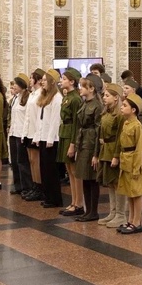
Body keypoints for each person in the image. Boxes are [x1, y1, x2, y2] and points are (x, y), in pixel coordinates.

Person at [116, 93, 142, 234]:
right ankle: (130, 219)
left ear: (134, 110)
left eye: (125, 106)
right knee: (129, 192)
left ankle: (137, 222)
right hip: (126, 159)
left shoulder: (137, 126)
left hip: (134, 162)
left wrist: (137, 167)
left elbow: (139, 148)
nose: (122, 108)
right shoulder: (126, 123)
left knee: (136, 193)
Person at [74, 74, 103, 222]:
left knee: (92, 179)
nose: (80, 89)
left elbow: (99, 131)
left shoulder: (97, 106)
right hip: (83, 141)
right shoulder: (84, 103)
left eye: (83, 86)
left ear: (91, 89)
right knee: (84, 177)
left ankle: (93, 211)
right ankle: (87, 210)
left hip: (91, 144)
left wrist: (96, 154)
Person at [97, 83, 126, 228]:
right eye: (104, 95)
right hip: (105, 150)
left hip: (114, 150)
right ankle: (112, 212)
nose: (104, 98)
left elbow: (121, 136)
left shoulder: (120, 115)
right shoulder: (106, 113)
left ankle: (121, 214)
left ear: (116, 98)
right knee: (110, 182)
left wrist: (116, 156)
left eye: (107, 96)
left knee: (117, 183)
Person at [33, 69, 63, 208]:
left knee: (51, 170)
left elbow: (55, 121)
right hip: (44, 137)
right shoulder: (44, 97)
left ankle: (54, 198)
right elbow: (41, 120)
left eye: (45, 80)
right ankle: (47, 195)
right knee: (43, 168)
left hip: (52, 139)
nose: (42, 82)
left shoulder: (57, 98)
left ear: (51, 82)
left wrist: (50, 139)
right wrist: (38, 136)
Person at [58, 67, 84, 216]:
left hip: (71, 136)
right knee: (69, 170)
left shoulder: (75, 99)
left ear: (72, 81)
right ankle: (73, 202)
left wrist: (73, 144)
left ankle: (79, 203)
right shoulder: (67, 96)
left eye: (64, 79)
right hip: (64, 133)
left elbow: (76, 123)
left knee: (75, 171)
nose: (61, 81)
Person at [22, 68, 46, 201]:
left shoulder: (40, 94)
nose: (30, 80)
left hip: (36, 131)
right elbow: (28, 115)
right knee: (31, 160)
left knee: (36, 160)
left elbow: (38, 116)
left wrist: (37, 133)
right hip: (29, 131)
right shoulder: (32, 94)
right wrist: (24, 133)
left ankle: (39, 186)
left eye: (31, 78)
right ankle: (34, 185)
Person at [8, 73, 33, 195]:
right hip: (13, 132)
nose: (14, 86)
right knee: (14, 161)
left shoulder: (28, 98)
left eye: (16, 84)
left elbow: (27, 117)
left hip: (21, 133)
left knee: (22, 161)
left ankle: (26, 186)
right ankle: (17, 185)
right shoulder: (15, 98)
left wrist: (24, 134)